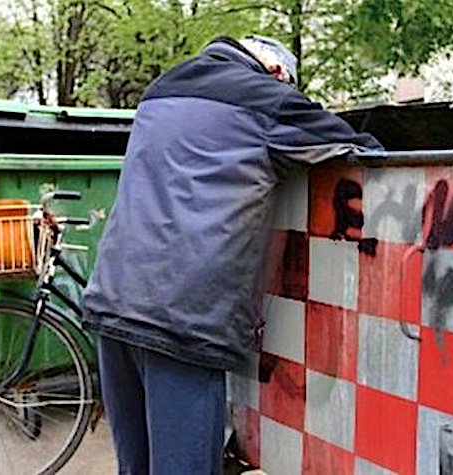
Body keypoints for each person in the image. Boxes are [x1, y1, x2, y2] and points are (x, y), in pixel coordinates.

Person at [82, 35, 383, 474]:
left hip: (111, 302)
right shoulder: (268, 100)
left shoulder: (164, 87)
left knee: (136, 468)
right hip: (182, 322)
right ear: (277, 73)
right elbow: (359, 148)